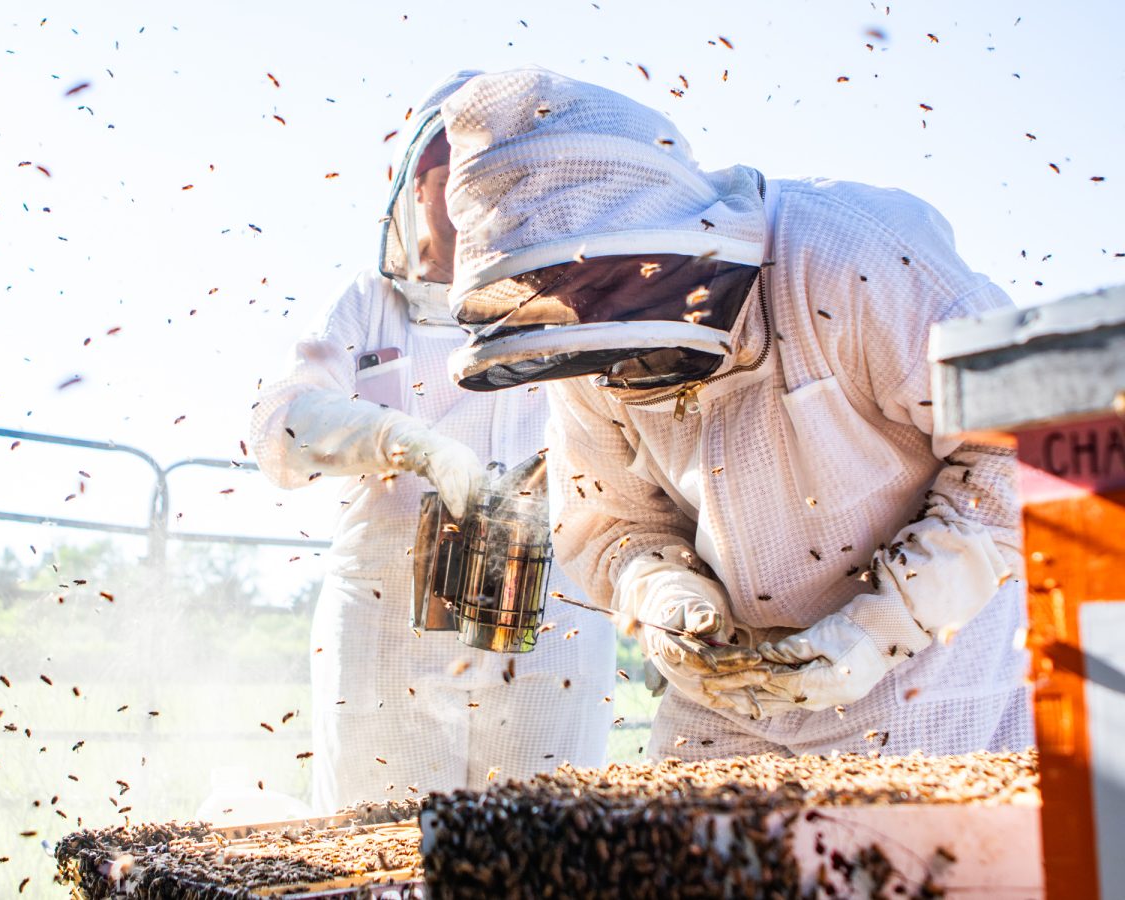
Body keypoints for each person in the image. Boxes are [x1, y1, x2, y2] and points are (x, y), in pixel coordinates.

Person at [437, 67, 1030, 758]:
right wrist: (661, 591)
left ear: (657, 237)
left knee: (917, 860)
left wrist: (881, 627)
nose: (586, 311)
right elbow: (607, 518)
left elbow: (1017, 443)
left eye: (595, 286)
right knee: (678, 860)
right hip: (729, 686)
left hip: (930, 664)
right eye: (559, 290)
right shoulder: (581, 333)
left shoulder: (853, 252)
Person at [250, 71, 615, 812]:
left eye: (502, 185)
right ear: (420, 188)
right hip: (388, 614)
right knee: (380, 851)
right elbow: (280, 424)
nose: (483, 205)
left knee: (540, 853)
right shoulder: (369, 303)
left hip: (548, 616)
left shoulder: (569, 310)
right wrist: (403, 440)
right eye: (462, 182)